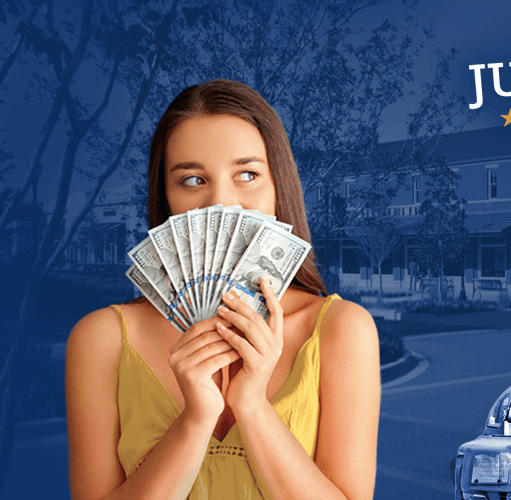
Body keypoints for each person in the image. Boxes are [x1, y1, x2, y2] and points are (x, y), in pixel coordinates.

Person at [65, 79, 381, 500]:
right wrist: (196, 419)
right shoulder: (101, 340)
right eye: (193, 180)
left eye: (247, 174)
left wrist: (251, 405)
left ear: (278, 187)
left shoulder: (342, 330)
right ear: (166, 196)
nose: (221, 203)